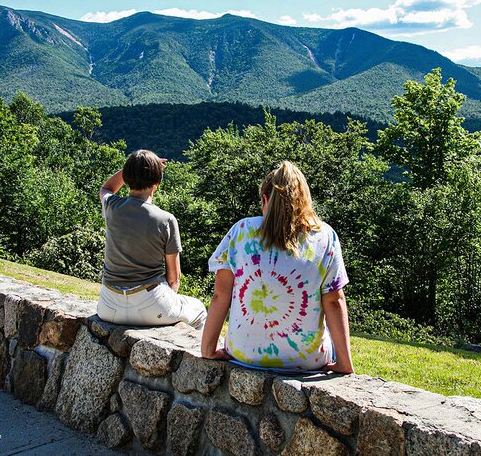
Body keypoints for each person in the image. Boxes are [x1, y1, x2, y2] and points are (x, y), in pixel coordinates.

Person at [201, 161, 354, 373]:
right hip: (307, 361)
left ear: (265, 199)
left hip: (244, 356)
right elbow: (334, 301)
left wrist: (208, 349)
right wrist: (345, 364)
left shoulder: (241, 231)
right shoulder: (325, 236)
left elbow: (220, 294)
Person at [96, 149, 207, 330]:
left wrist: (133, 168)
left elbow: (106, 188)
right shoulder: (166, 220)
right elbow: (174, 279)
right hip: (151, 304)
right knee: (200, 310)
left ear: (128, 177)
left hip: (108, 306)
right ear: (158, 182)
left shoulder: (112, 207)